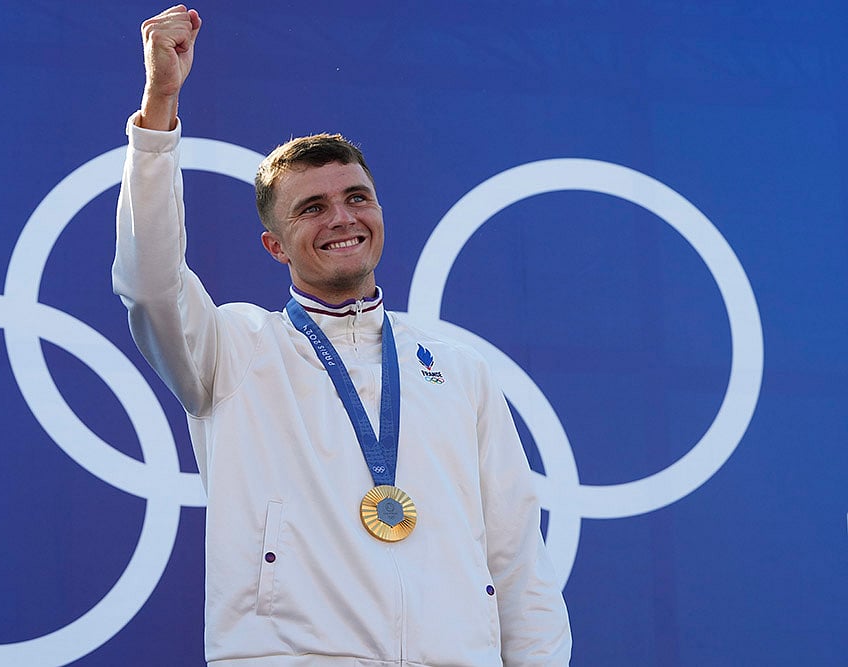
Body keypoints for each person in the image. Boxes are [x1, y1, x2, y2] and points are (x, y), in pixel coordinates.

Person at [113, 5, 572, 666]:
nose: (342, 218)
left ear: (380, 212)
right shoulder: (234, 350)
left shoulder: (458, 367)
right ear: (275, 245)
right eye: (312, 207)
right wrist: (159, 109)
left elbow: (517, 555)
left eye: (357, 197)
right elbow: (150, 282)